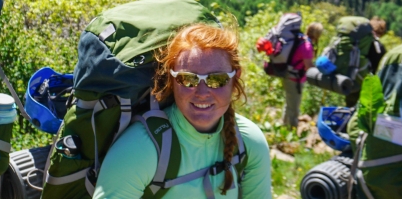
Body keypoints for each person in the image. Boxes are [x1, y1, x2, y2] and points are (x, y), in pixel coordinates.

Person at [93, 24, 272, 198]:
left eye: (217, 79)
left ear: (235, 79)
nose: (202, 93)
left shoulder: (249, 142)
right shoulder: (140, 148)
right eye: (188, 79)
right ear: (172, 80)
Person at [277, 22, 320, 127]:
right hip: (294, 79)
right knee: (294, 107)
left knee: (289, 104)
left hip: (288, 75)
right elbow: (308, 66)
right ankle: (292, 131)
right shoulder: (307, 46)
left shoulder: (300, 40)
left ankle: (284, 126)